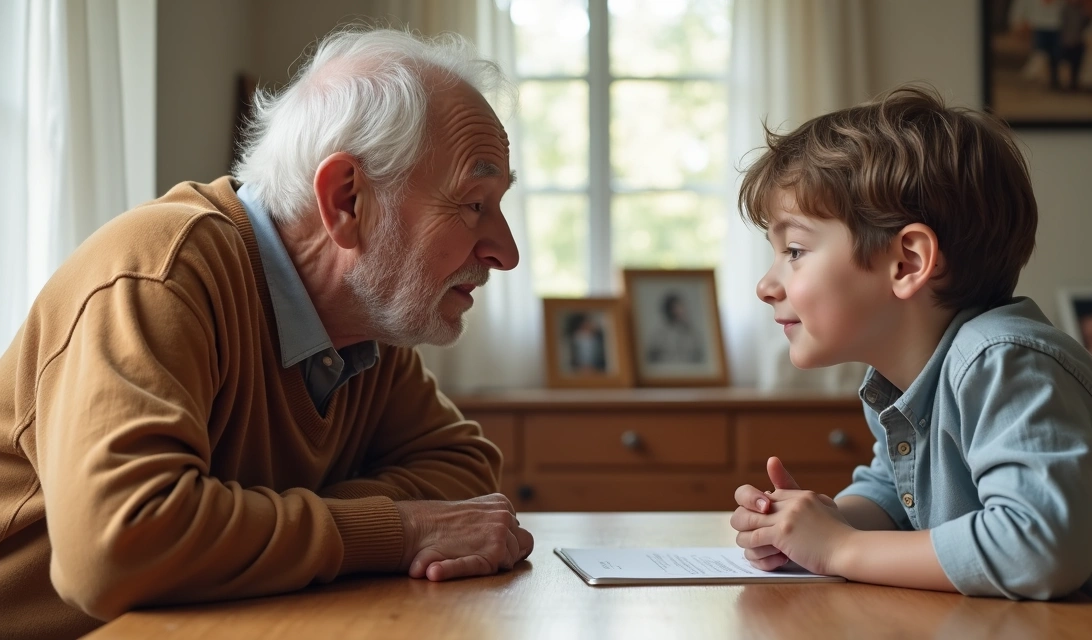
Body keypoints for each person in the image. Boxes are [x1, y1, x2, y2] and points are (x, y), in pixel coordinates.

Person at [0, 28, 534, 639]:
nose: (506, 252)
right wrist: (400, 529)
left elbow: (464, 474)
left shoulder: (365, 323)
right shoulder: (160, 275)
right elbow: (115, 548)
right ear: (346, 200)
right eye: (473, 204)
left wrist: (230, 521)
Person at [728, 84, 1092, 640]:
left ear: (908, 262)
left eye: (794, 251)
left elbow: (1036, 548)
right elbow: (893, 492)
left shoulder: (1005, 361)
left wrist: (841, 547)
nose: (766, 285)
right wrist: (815, 525)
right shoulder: (904, 381)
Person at [645, 291, 705, 365]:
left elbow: (699, 355)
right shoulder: (660, 334)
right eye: (677, 308)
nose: (681, 311)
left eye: (682, 307)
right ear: (670, 310)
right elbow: (653, 357)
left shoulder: (691, 333)